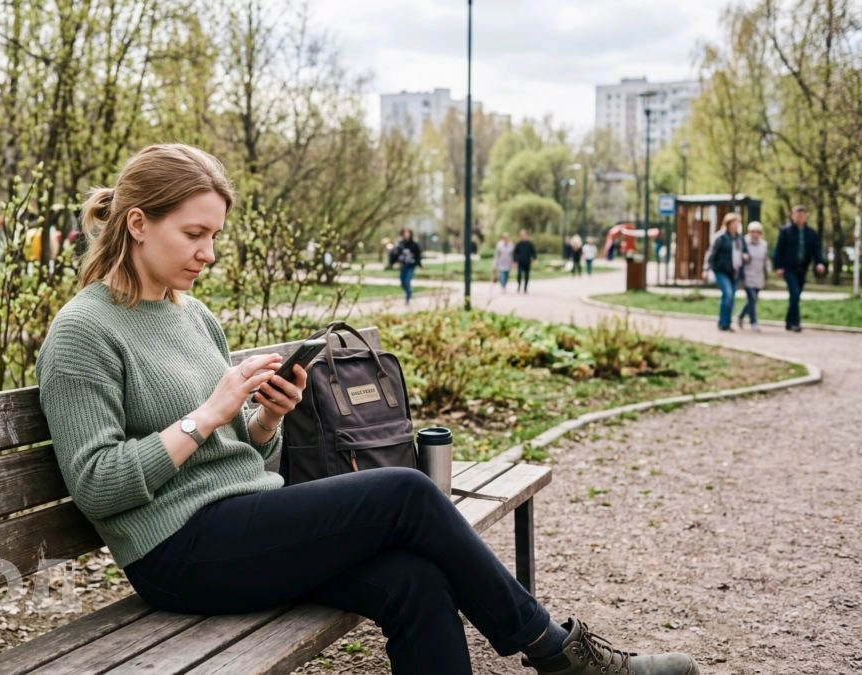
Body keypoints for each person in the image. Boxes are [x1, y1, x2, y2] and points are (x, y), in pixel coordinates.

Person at [34, 144, 699, 675]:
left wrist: (266, 418)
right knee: (408, 495)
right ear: (138, 222)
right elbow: (97, 486)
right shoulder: (83, 332)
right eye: (195, 233)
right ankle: (556, 652)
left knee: (416, 582)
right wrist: (206, 414)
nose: (208, 252)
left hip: (243, 524)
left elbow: (244, 455)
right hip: (177, 553)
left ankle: (554, 651)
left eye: (215, 235)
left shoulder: (193, 315)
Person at [772, 205, 826, 332]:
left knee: (795, 296)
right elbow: (778, 250)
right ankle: (795, 323)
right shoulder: (785, 231)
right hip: (789, 268)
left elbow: (816, 250)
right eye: (797, 215)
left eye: (802, 215)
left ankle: (789, 322)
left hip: (802, 268)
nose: (799, 218)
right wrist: (778, 266)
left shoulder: (811, 233)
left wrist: (819, 263)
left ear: (805, 217)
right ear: (792, 216)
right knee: (795, 293)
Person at [705, 212, 746, 332]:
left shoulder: (739, 238)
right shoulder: (720, 237)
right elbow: (711, 253)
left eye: (737, 223)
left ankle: (726, 323)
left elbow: (744, 251)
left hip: (735, 272)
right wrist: (706, 269)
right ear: (727, 224)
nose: (736, 225)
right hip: (721, 270)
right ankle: (723, 323)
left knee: (730, 297)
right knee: (727, 294)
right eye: (733, 223)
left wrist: (745, 256)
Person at [737, 222, 768, 332]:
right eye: (753, 231)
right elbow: (738, 258)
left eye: (758, 232)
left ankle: (740, 316)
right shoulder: (743, 243)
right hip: (747, 275)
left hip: (759, 275)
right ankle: (753, 322)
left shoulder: (764, 244)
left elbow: (765, 260)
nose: (755, 234)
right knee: (752, 298)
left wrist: (767, 272)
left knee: (752, 300)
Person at [388, 227, 422, 304]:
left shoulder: (414, 245)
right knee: (403, 283)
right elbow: (396, 254)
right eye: (405, 233)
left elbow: (418, 255)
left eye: (408, 233)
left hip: (411, 266)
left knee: (407, 281)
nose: (406, 235)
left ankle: (408, 297)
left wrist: (419, 264)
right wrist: (392, 263)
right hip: (403, 266)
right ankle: (409, 292)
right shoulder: (401, 244)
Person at [513, 229, 537, 293]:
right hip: (520, 262)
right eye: (521, 235)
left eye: (524, 235)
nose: (522, 236)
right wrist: (515, 260)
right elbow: (515, 253)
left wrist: (534, 259)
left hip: (527, 262)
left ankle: (525, 288)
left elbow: (533, 252)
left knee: (527, 275)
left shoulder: (530, 244)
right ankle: (519, 286)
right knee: (519, 274)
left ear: (526, 235)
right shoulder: (518, 244)